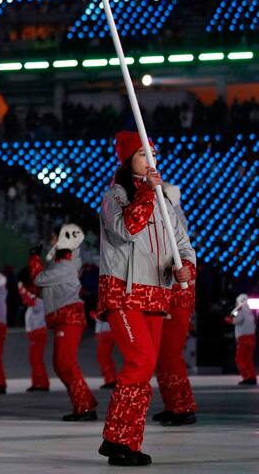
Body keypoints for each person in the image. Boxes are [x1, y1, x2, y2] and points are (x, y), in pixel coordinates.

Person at [96, 130, 195, 467]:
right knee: (139, 361)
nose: (149, 159)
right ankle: (118, 438)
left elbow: (183, 246)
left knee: (145, 366)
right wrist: (150, 194)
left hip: (156, 294)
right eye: (141, 154)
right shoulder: (115, 196)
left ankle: (123, 440)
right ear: (127, 160)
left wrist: (186, 270)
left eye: (152, 153)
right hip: (123, 293)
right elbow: (127, 229)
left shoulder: (165, 201)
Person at [29, 224, 97, 421]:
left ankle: (84, 407)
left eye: (53, 236)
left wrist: (34, 258)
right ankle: (84, 403)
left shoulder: (65, 266)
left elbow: (39, 279)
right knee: (61, 364)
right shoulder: (63, 264)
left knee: (65, 363)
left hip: (68, 318)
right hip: (64, 318)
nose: (51, 239)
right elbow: (44, 287)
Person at [153, 185, 199, 426]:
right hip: (168, 295)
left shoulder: (173, 220)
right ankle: (173, 405)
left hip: (176, 298)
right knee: (163, 356)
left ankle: (183, 407)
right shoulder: (168, 218)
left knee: (170, 355)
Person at [21, 282, 50, 392]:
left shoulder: (38, 302)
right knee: (34, 360)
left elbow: (30, 301)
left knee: (36, 359)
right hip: (36, 334)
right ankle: (37, 382)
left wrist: (23, 291)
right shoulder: (37, 302)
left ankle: (41, 384)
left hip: (38, 334)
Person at [226, 294, 256, 385]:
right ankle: (252, 376)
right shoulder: (250, 312)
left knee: (240, 359)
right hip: (252, 338)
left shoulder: (240, 310)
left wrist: (228, 318)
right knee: (248, 359)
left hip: (243, 339)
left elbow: (234, 320)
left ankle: (247, 377)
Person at [95, 320, 117, 390]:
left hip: (109, 330)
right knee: (102, 355)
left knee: (103, 355)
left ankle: (111, 380)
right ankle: (111, 380)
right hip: (107, 330)